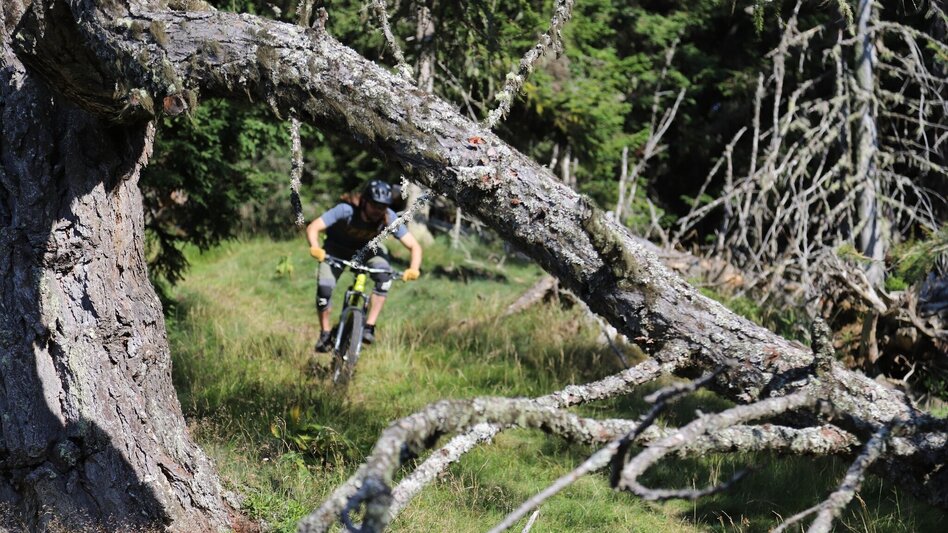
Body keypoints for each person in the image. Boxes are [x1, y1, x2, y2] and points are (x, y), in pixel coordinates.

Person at [306, 180, 422, 351]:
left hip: (369, 251)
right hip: (335, 249)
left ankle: (369, 326)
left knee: (384, 276)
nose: (378, 210)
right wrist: (316, 248)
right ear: (364, 201)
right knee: (324, 290)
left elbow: (414, 246)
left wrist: (414, 268)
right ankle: (325, 333)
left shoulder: (389, 217)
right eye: (374, 205)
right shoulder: (346, 210)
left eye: (382, 206)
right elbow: (313, 228)